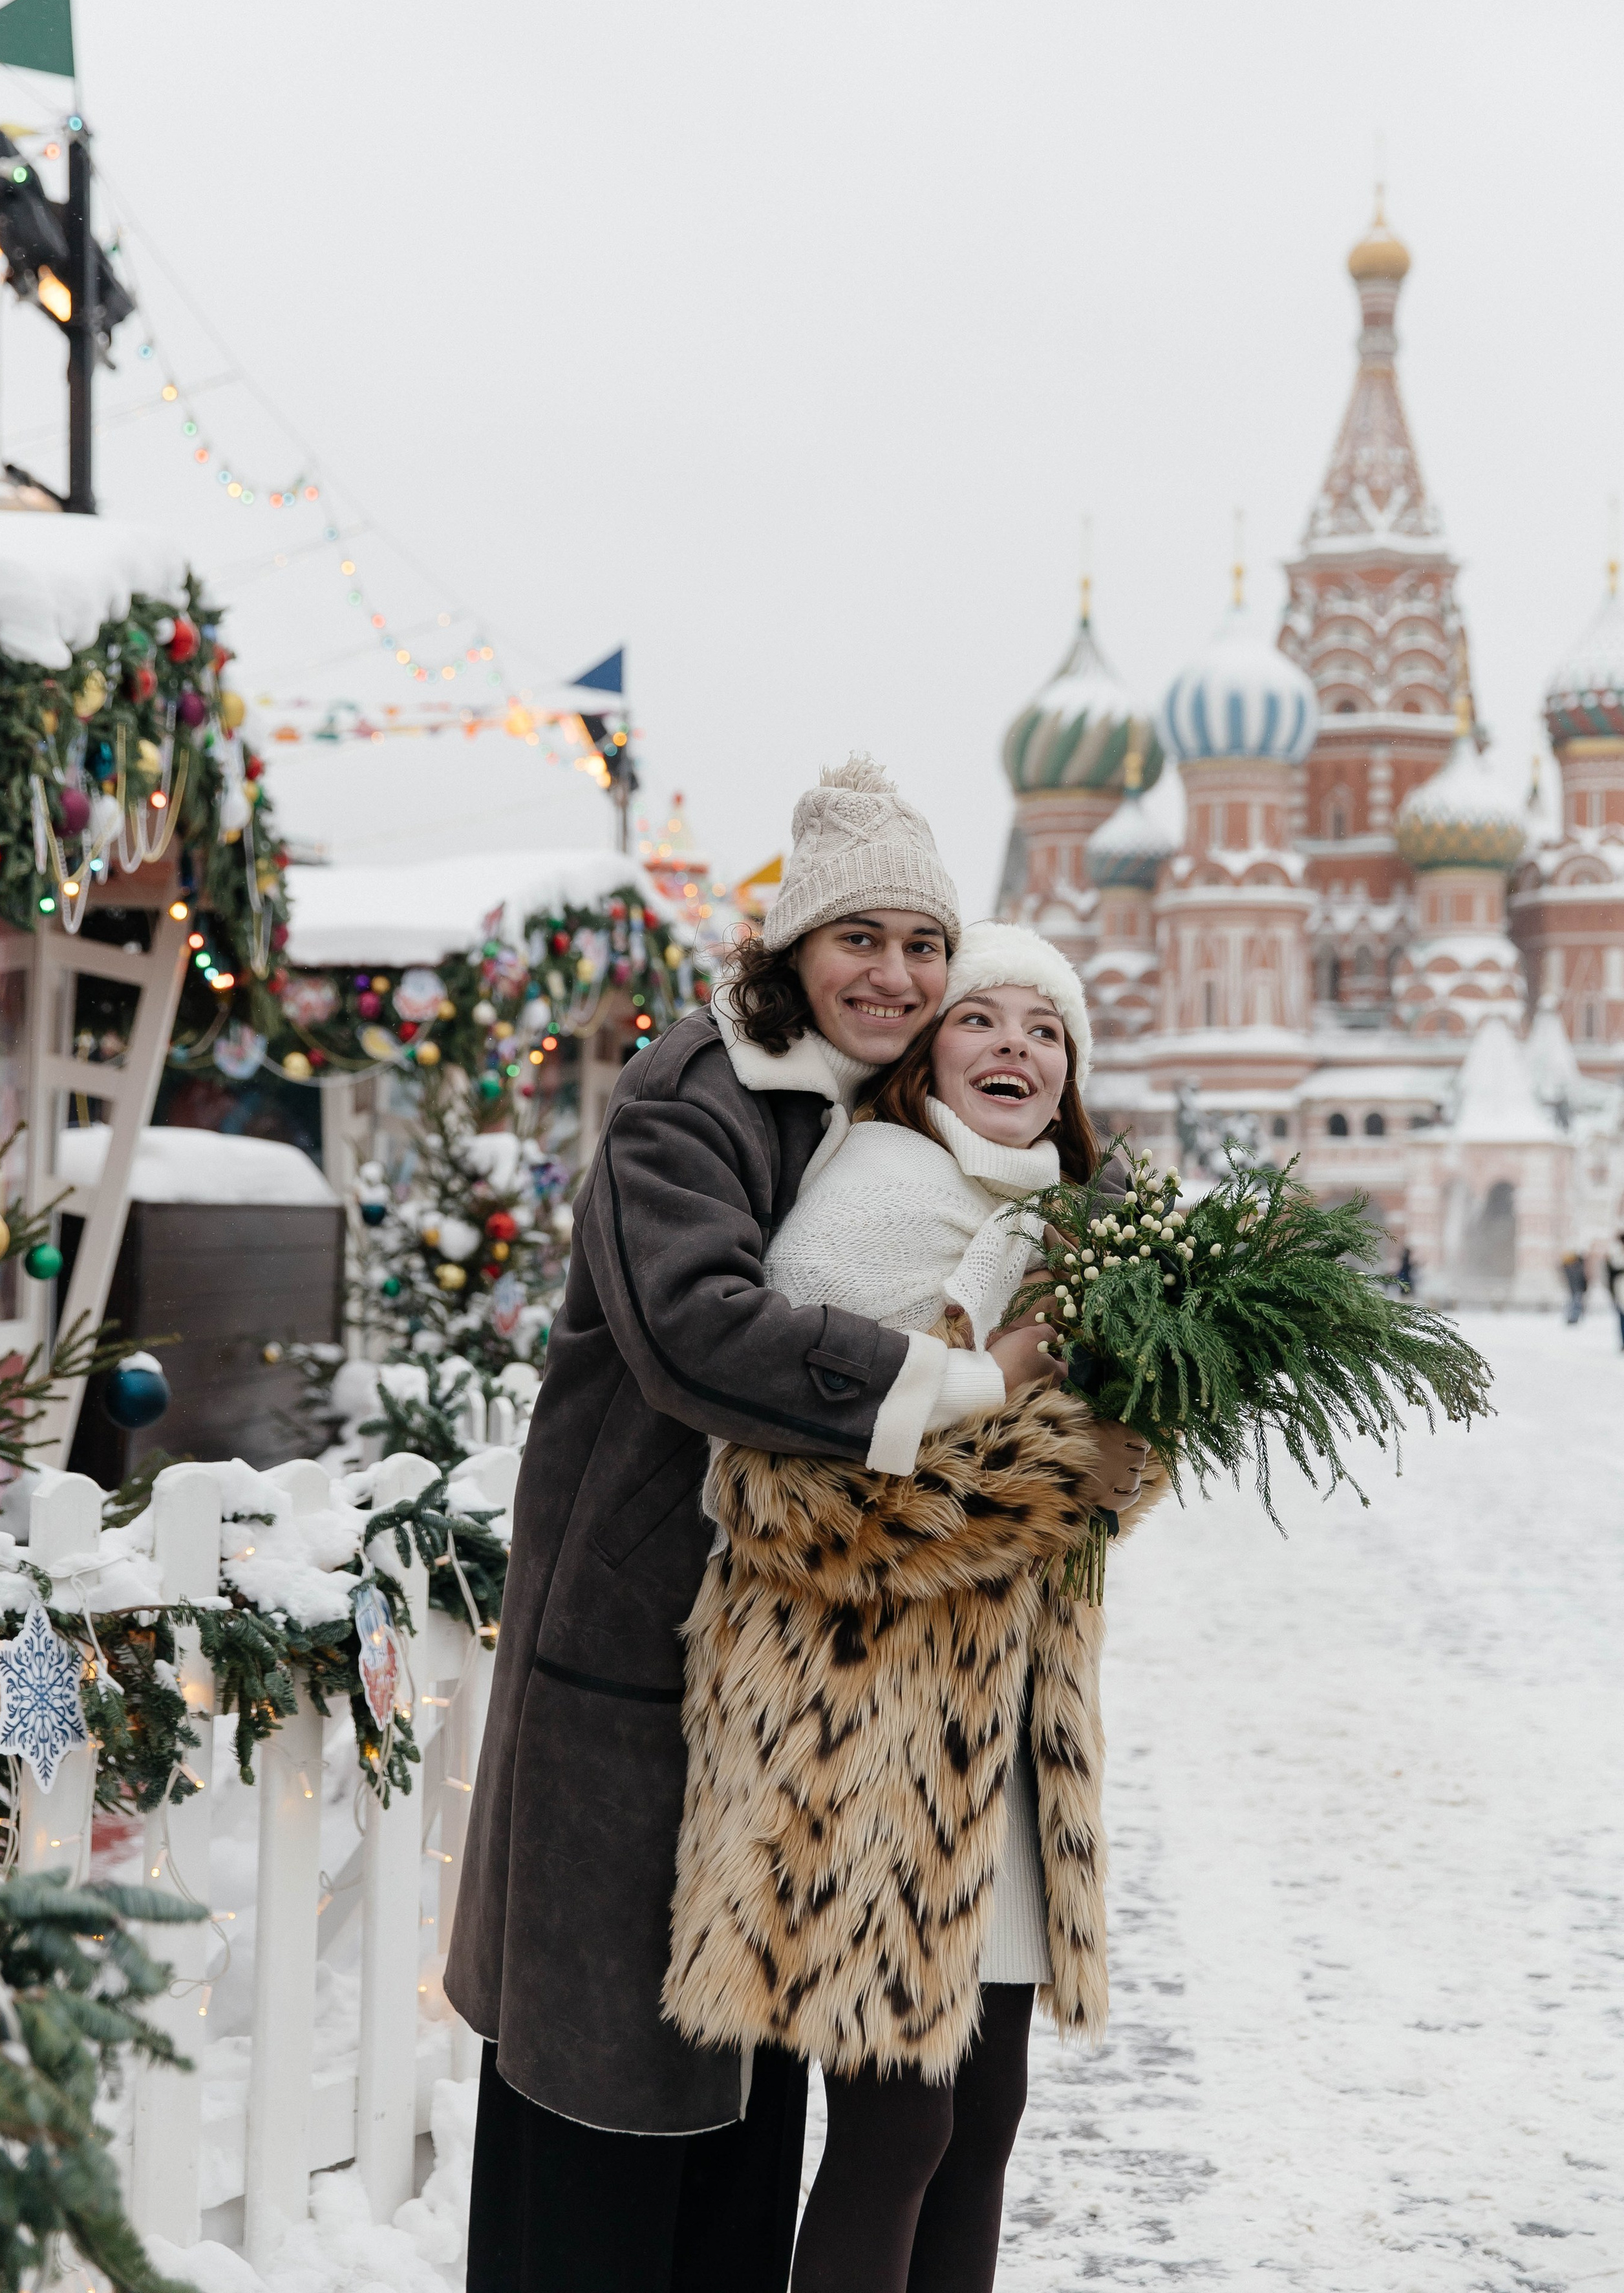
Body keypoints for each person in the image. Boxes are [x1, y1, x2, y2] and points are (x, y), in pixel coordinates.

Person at [445, 762, 1146, 2293]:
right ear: (790, 951)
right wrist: (971, 1385)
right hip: (636, 1652)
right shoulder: (692, 1090)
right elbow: (698, 1333)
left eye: (921, 944)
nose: (893, 974)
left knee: (738, 2119)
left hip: (775, 1672)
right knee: (605, 2112)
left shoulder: (846, 1101)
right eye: (858, 940)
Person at [664, 922, 1166, 2293]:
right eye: (980, 1019)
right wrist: (1064, 1458)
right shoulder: (874, 1199)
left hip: (989, 1740)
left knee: (979, 2123)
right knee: (898, 2129)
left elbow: (1100, 1469)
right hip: (853, 1736)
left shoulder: (1059, 1222)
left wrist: (1127, 1439)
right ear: (925, 1053)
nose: (1014, 1045)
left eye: (1044, 1029)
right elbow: (795, 1497)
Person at [1559, 1248, 1587, 1324]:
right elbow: (1580, 1278)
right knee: (1575, 1303)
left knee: (1575, 1303)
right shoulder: (1574, 1268)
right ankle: (1573, 1318)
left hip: (1576, 1289)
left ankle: (1573, 1318)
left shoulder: (1571, 1268)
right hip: (1576, 1288)